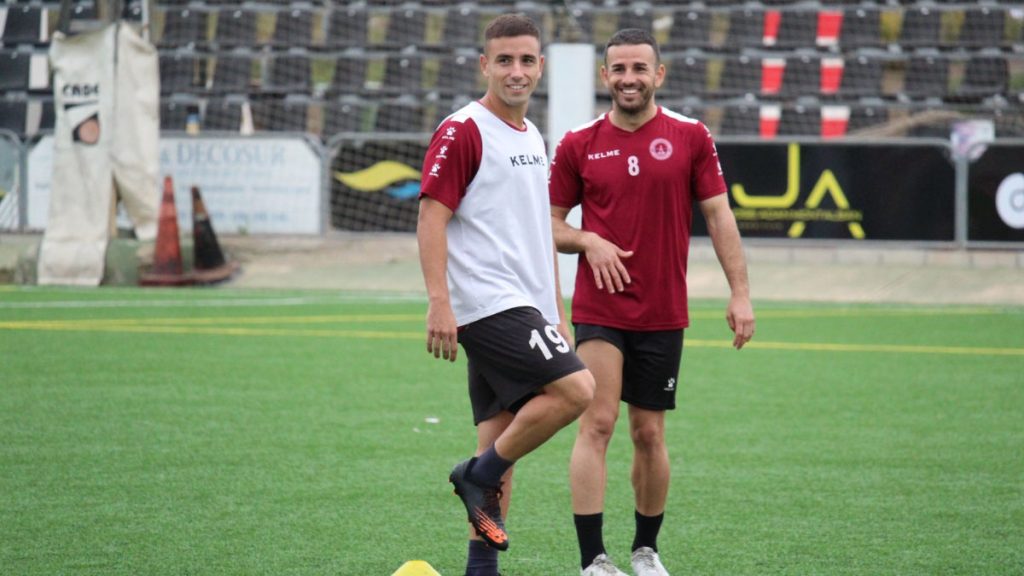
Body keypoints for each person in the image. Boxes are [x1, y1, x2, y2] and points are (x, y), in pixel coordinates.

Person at [548, 29, 756, 576]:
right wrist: (587, 240)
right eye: (618, 69)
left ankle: (645, 550)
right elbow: (545, 225)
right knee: (596, 425)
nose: (628, 79)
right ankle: (593, 559)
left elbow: (718, 215)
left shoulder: (690, 136)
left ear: (658, 74)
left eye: (639, 68)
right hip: (600, 310)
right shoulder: (579, 143)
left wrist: (740, 293)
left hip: (664, 310)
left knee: (649, 432)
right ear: (605, 77)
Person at [416, 14, 596, 576]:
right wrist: (439, 301)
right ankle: (476, 474)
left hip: (527, 303)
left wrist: (556, 310)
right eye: (504, 60)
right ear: (484, 65)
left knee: (501, 435)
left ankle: (480, 568)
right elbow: (430, 216)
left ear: (540, 66)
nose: (516, 72)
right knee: (577, 390)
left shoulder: (533, 134)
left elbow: (535, 233)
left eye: (526, 61)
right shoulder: (463, 129)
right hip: (488, 304)